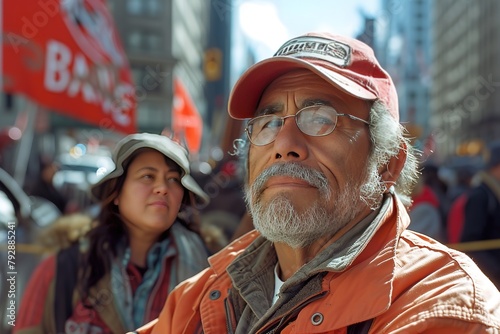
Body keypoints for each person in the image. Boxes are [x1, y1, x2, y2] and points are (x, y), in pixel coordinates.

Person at [133, 32, 500, 333]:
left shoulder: (441, 301)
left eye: (320, 118)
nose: (284, 145)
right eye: (268, 122)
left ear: (388, 163)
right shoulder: (201, 294)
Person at [15, 133, 211, 334]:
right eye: (147, 176)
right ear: (116, 192)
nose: (162, 188)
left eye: (173, 179)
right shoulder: (63, 266)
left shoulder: (209, 271)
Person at [460, 141, 500, 288]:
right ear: (496, 166)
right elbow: (471, 243)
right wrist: (496, 271)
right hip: (492, 277)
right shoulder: (481, 195)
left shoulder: (493, 191)